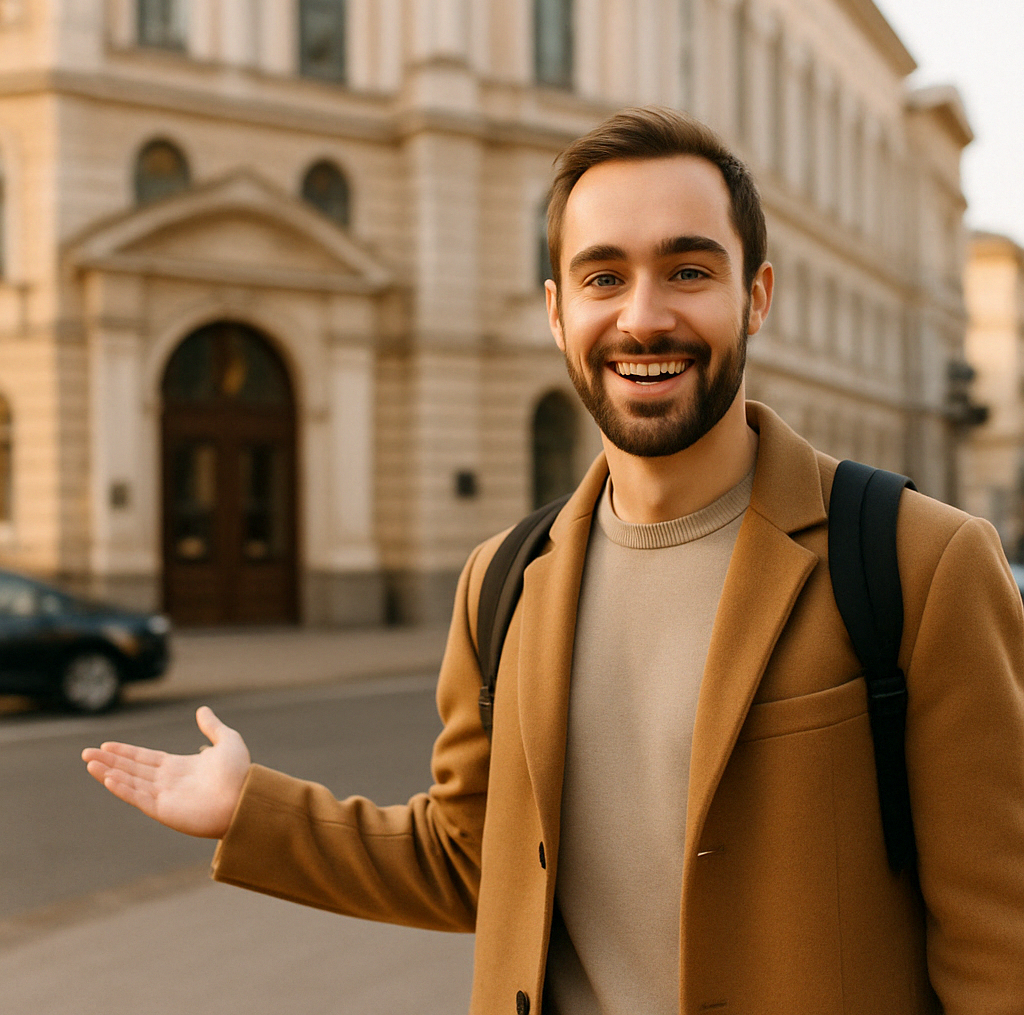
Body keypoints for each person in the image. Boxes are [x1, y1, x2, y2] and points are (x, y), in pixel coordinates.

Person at [83, 107, 1024, 1014]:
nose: (643, 318)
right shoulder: (502, 582)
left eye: (688, 271)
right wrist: (250, 810)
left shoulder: (919, 560)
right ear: (557, 312)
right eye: (603, 277)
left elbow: (1002, 946)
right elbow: (471, 859)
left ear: (756, 297)